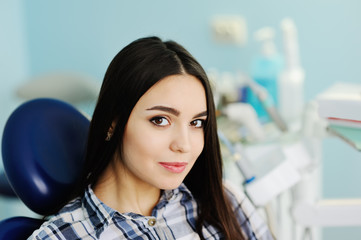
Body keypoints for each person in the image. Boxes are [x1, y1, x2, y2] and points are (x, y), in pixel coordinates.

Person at [28, 36, 273, 240]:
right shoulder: (62, 236)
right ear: (113, 122)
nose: (184, 145)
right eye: (160, 120)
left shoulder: (223, 203)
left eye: (197, 123)